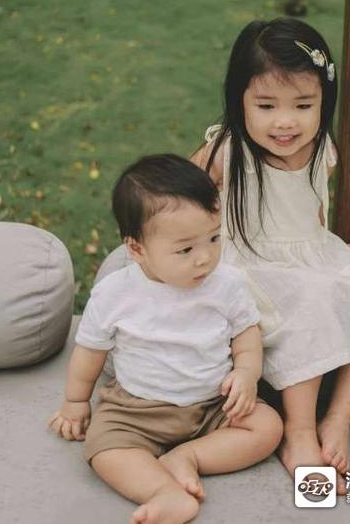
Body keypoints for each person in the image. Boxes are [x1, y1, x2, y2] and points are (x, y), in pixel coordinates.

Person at [191, 18, 350, 495]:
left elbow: (309, 212)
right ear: (239, 101)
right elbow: (179, 201)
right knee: (307, 304)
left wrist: (329, 246)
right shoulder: (227, 152)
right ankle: (299, 433)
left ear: (323, 102)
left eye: (303, 105)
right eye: (266, 106)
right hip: (249, 261)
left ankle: (338, 418)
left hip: (307, 254)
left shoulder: (322, 151)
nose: (285, 121)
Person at [48, 154, 283, 524]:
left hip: (213, 405)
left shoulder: (227, 284)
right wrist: (75, 401)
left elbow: (246, 334)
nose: (205, 258)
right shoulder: (115, 293)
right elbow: (90, 351)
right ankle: (163, 492)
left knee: (267, 427)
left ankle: (188, 457)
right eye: (186, 249)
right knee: (103, 448)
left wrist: (246, 373)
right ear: (137, 249)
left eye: (214, 238)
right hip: (137, 409)